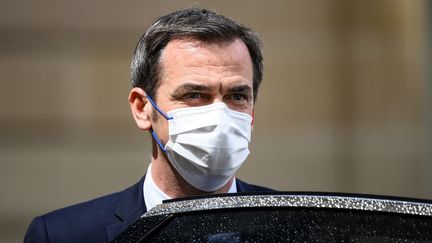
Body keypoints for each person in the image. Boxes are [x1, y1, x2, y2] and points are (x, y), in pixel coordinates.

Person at [24, 8, 272, 242]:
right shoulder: (64, 235)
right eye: (195, 95)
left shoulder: (302, 223)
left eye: (237, 96)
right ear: (142, 108)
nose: (219, 113)